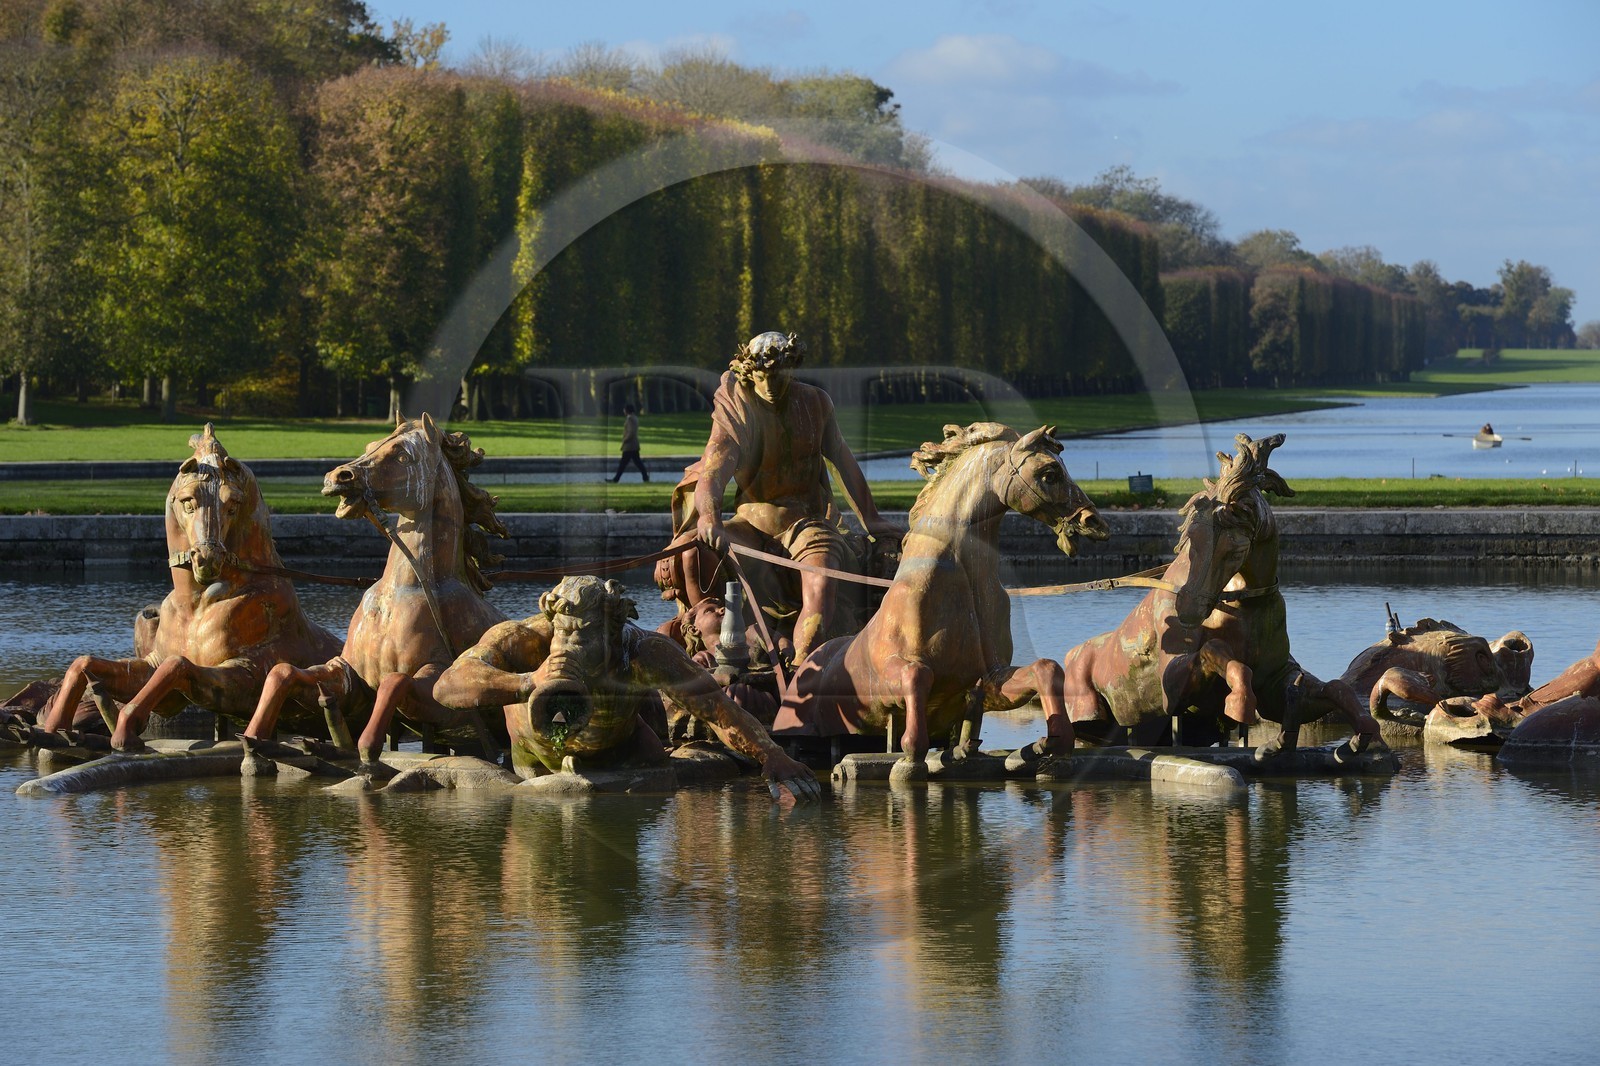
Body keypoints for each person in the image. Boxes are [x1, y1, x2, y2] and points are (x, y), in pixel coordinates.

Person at [691, 331, 902, 663]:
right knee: (691, 548)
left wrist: (871, 517)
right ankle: (715, 644)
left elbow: (843, 462)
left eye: (779, 375)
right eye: (763, 376)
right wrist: (708, 517)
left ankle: (804, 669)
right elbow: (712, 473)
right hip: (750, 525)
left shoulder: (816, 404)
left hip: (808, 524)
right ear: (749, 373)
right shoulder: (738, 408)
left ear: (792, 367)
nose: (771, 384)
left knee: (821, 586)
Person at [608, 403, 649, 482]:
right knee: (637, 462)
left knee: (623, 464)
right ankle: (645, 477)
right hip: (633, 445)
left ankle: (616, 479)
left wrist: (625, 440)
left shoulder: (630, 419)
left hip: (630, 445)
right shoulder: (634, 418)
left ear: (627, 410)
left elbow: (631, 432)